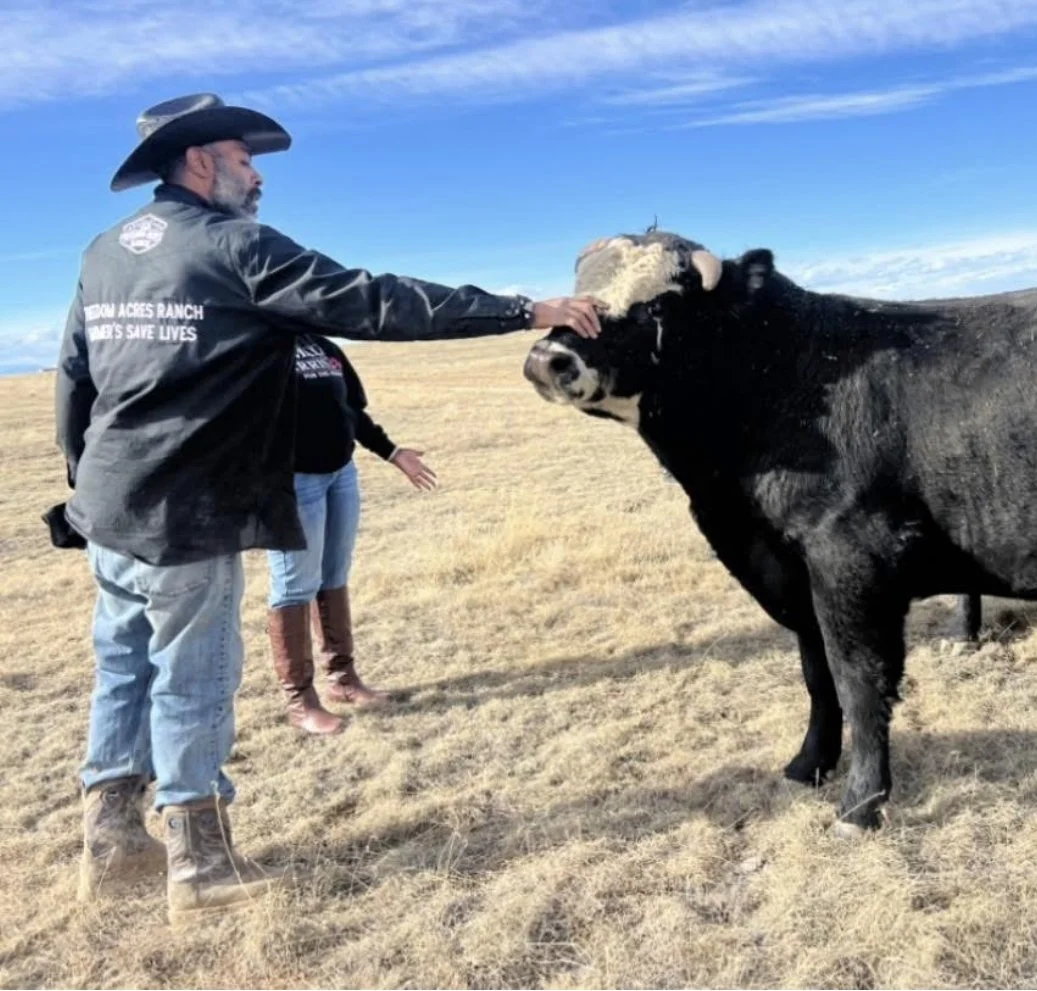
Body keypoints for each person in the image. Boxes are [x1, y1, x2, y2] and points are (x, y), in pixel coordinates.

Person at [54, 92, 601, 923]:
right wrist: (521, 309)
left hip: (111, 503)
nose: (257, 174)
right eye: (245, 157)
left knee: (123, 667)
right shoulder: (235, 246)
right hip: (187, 510)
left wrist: (82, 483)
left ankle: (112, 843)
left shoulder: (104, 253)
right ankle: (199, 867)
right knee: (193, 679)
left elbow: (75, 377)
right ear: (200, 161)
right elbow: (371, 299)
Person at [268, 334, 435, 734]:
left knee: (334, 577)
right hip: (294, 483)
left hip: (340, 475)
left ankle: (342, 679)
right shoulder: (257, 348)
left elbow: (351, 410)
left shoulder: (324, 347)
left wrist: (393, 452)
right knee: (294, 586)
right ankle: (301, 701)